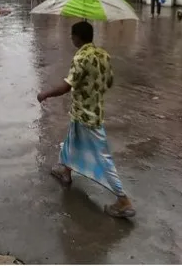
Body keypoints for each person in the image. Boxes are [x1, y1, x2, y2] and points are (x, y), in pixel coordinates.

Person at [37, 21, 135, 218]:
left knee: (102, 157)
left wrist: (45, 94)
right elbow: (109, 82)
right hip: (90, 111)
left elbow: (67, 86)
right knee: (72, 142)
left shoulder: (81, 57)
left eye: (72, 36)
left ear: (78, 37)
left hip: (87, 116)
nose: (71, 39)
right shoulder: (103, 55)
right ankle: (66, 172)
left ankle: (123, 200)